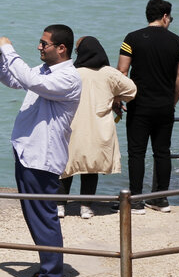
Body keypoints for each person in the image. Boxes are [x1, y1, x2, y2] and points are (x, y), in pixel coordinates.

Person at [0, 26, 81, 277]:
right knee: (35, 217)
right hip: (27, 152)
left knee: (44, 218)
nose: (40, 48)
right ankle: (47, 268)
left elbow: (29, 80)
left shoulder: (68, 78)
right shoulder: (43, 71)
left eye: (45, 44)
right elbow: (14, 80)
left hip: (43, 157)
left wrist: (9, 48)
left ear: (61, 48)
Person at [117, 0, 179, 213]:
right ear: (165, 16)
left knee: (136, 152)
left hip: (139, 105)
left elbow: (122, 72)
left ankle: (137, 201)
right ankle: (160, 199)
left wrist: (121, 98)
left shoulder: (132, 39)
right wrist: (172, 101)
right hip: (165, 105)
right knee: (162, 151)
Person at [59, 37, 137, 219]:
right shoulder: (109, 73)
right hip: (97, 128)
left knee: (66, 167)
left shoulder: (72, 72)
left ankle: (59, 205)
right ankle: (85, 207)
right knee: (91, 168)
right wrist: (116, 97)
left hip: (72, 126)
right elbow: (132, 90)